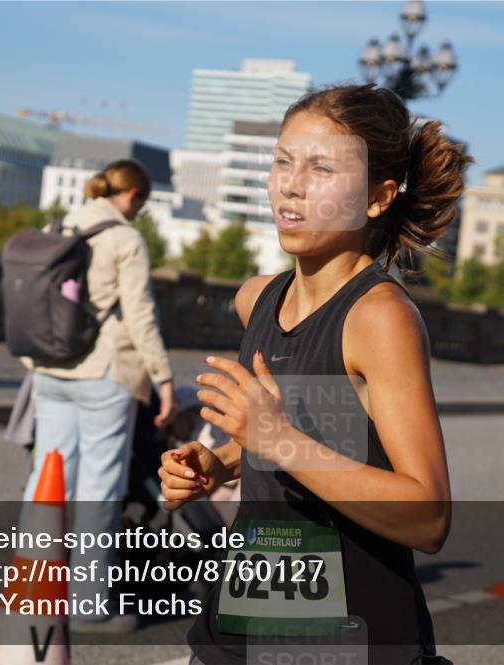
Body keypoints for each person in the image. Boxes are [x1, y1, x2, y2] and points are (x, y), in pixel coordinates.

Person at [158, 83, 467, 665]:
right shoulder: (257, 299)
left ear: (377, 197)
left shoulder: (379, 318)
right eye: (282, 161)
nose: (291, 185)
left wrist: (275, 439)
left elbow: (428, 515)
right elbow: (319, 430)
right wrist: (217, 461)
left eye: (322, 168)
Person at [20, 159, 176, 633]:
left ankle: (31, 588)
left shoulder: (58, 225)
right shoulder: (124, 238)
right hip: (104, 373)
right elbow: (140, 316)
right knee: (98, 489)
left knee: (47, 478)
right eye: (141, 205)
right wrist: (163, 378)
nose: (139, 213)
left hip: (49, 367)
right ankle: (90, 606)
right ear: (132, 196)